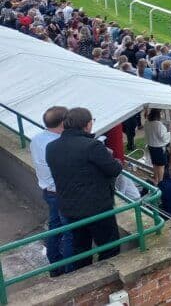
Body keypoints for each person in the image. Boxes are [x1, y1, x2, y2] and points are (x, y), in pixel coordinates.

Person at [47, 107, 123, 269]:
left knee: (80, 251)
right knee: (109, 248)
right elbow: (114, 169)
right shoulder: (92, 146)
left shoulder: (51, 147)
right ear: (87, 125)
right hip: (98, 209)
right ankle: (108, 279)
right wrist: (114, 160)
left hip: (70, 209)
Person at [30, 106, 74, 276]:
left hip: (49, 191)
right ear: (63, 122)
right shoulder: (56, 144)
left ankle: (55, 264)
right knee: (69, 231)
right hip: (60, 192)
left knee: (55, 227)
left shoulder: (37, 139)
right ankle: (70, 270)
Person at [145, 108, 171, 185]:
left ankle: (156, 179)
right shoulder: (159, 125)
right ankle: (160, 182)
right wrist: (169, 131)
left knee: (155, 164)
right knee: (161, 166)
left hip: (151, 146)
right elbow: (163, 137)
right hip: (159, 147)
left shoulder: (147, 123)